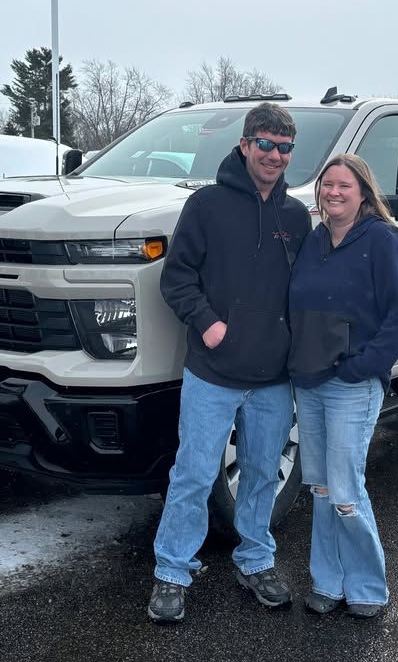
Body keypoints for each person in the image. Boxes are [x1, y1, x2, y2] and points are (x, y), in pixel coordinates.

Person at [148, 103, 312, 624]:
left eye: (285, 148)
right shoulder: (207, 206)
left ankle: (255, 560)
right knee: (194, 475)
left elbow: (306, 292)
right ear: (244, 146)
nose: (275, 156)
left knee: (263, 473)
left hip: (272, 379)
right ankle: (172, 572)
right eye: (265, 144)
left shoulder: (295, 216)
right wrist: (209, 324)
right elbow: (175, 278)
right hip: (213, 373)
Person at [287, 153, 398, 619]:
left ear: (363, 192)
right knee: (319, 487)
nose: (333, 193)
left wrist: (361, 367)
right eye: (327, 186)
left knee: (344, 490)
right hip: (308, 380)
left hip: (350, 385)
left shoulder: (383, 241)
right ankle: (328, 581)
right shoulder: (314, 240)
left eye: (344, 185)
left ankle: (366, 585)